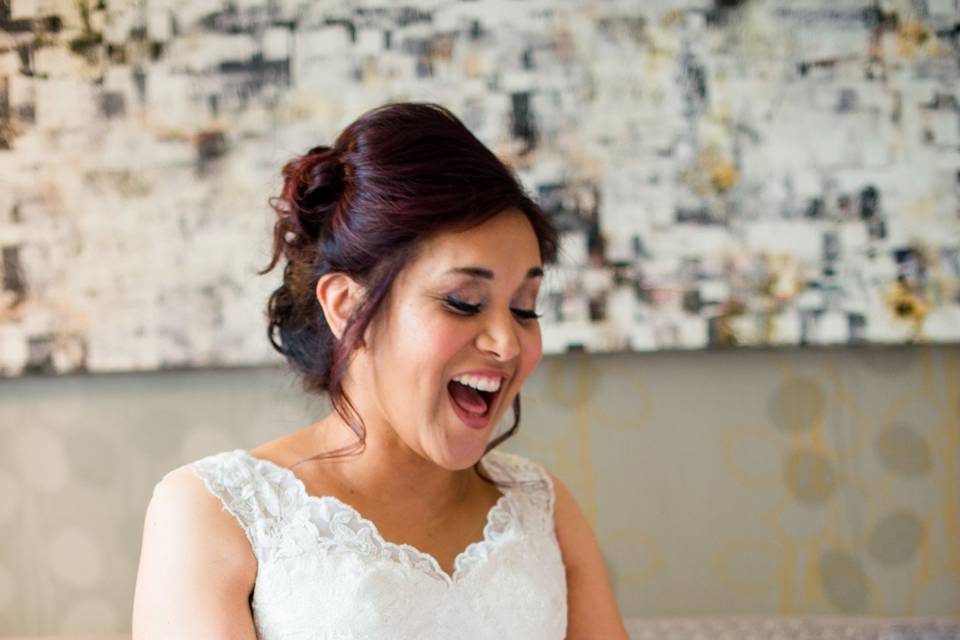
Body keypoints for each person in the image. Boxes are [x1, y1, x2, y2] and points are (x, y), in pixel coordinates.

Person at [131, 102, 628, 639]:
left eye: (525, 307)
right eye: (463, 301)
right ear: (346, 306)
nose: (507, 342)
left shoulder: (543, 506)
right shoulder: (217, 512)